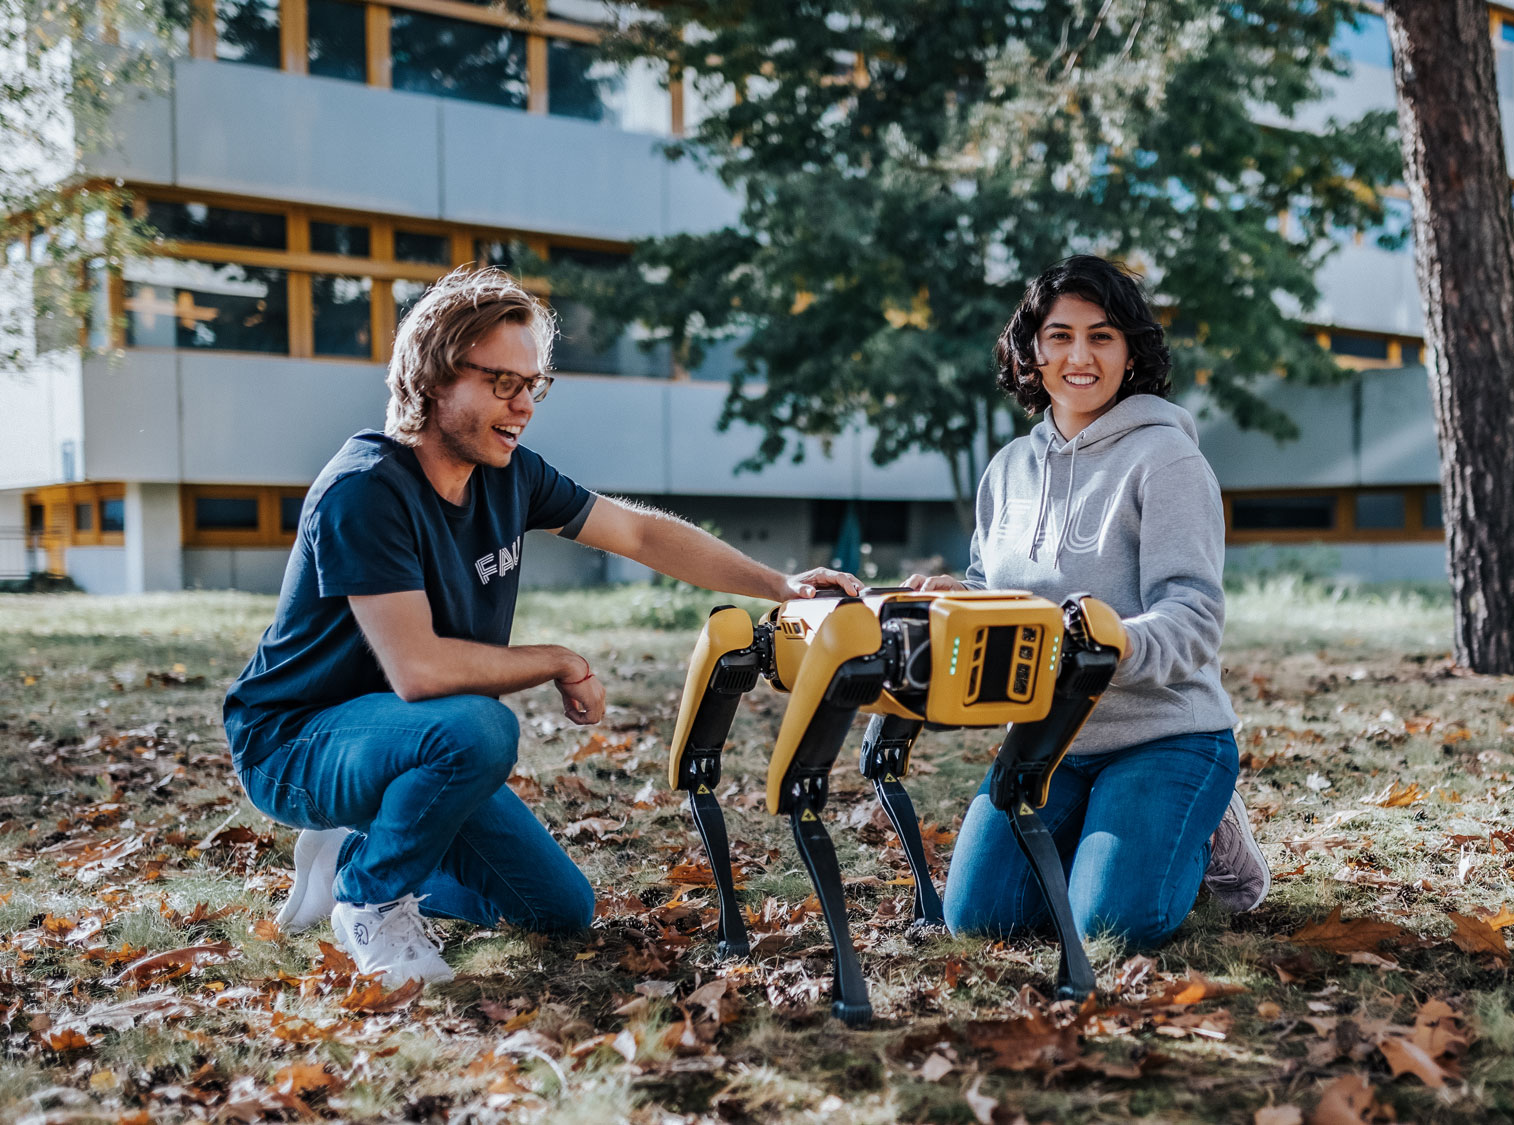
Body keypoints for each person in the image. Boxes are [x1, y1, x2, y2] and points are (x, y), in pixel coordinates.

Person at [223, 267, 860, 987]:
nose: (524, 405)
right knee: (479, 730)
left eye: (535, 384)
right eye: (503, 382)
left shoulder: (509, 475)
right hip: (297, 740)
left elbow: (642, 535)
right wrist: (558, 658)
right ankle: (369, 898)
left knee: (556, 906)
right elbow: (420, 670)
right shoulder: (365, 489)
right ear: (434, 376)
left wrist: (778, 583)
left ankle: (353, 854)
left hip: (407, 736)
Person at [908, 255, 1269, 949]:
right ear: (1031, 351)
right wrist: (960, 599)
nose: (1081, 355)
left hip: (1164, 734)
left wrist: (1117, 640)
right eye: (1061, 335)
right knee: (980, 919)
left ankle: (1201, 833)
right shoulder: (1008, 469)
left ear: (1130, 351)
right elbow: (993, 594)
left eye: (1102, 336)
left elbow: (1194, 617)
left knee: (1111, 925)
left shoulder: (1167, 460)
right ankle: (1110, 846)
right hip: (1048, 734)